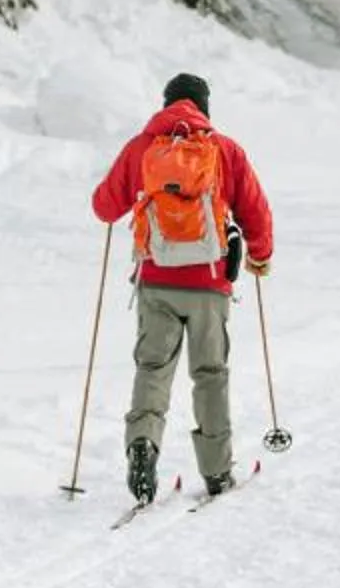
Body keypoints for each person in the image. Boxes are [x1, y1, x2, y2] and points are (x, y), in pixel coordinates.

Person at [91, 71, 273, 504]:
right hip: (210, 283)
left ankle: (143, 444)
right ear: (204, 107)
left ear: (166, 103)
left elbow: (104, 207)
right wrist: (260, 256)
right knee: (210, 375)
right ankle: (216, 471)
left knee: (153, 370)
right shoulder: (224, 150)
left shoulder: (142, 148)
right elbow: (256, 210)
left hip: (156, 280)